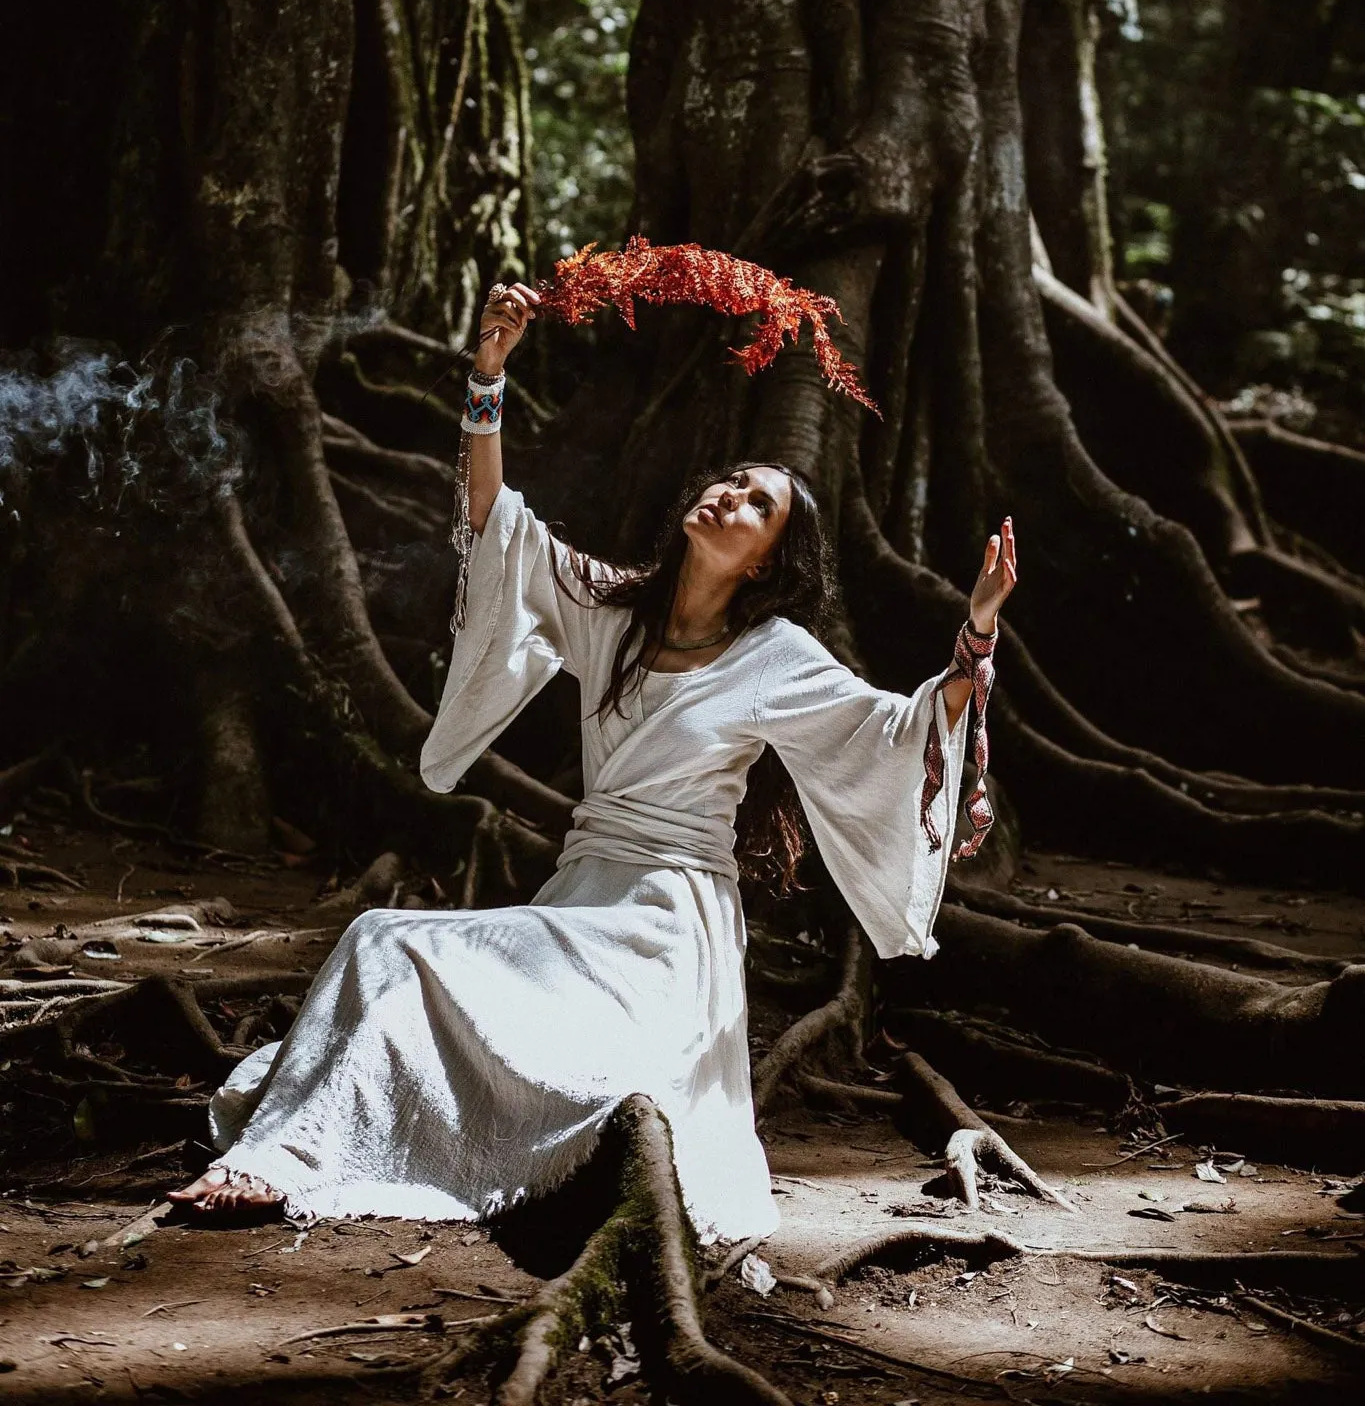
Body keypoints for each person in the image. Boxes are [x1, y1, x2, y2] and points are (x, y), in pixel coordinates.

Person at [169, 282, 1017, 1242]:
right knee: (382, 942)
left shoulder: (778, 657)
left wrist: (977, 626)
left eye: (755, 503)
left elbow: (899, 732)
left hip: (665, 927)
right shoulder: (611, 608)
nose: (725, 495)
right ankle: (289, 1148)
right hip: (577, 898)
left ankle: (279, 1160)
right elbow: (501, 533)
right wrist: (487, 376)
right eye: (728, 480)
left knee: (396, 946)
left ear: (768, 563)